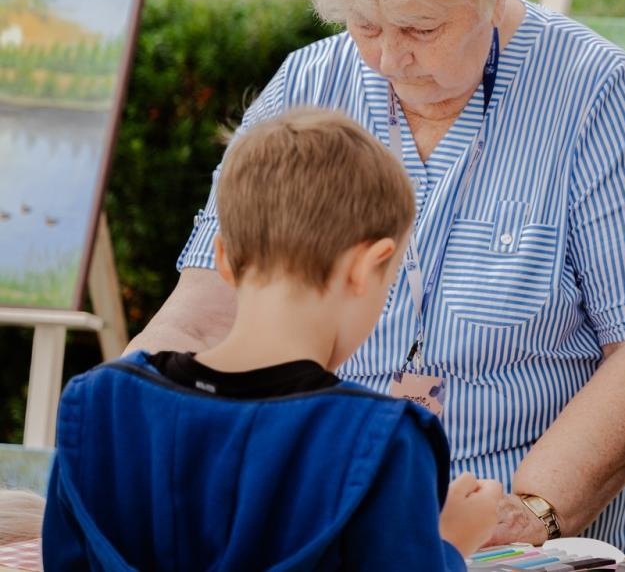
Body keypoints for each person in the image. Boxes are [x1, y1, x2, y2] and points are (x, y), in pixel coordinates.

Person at [129, 0, 625, 554]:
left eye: (422, 29)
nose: (390, 60)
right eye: (366, 26)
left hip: (534, 539)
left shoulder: (593, 94)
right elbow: (208, 306)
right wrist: (123, 423)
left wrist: (528, 515)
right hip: (340, 524)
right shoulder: (307, 85)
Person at [43, 108, 503, 570]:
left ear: (223, 257)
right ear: (366, 267)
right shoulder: (384, 440)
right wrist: (447, 545)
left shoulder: (98, 405)